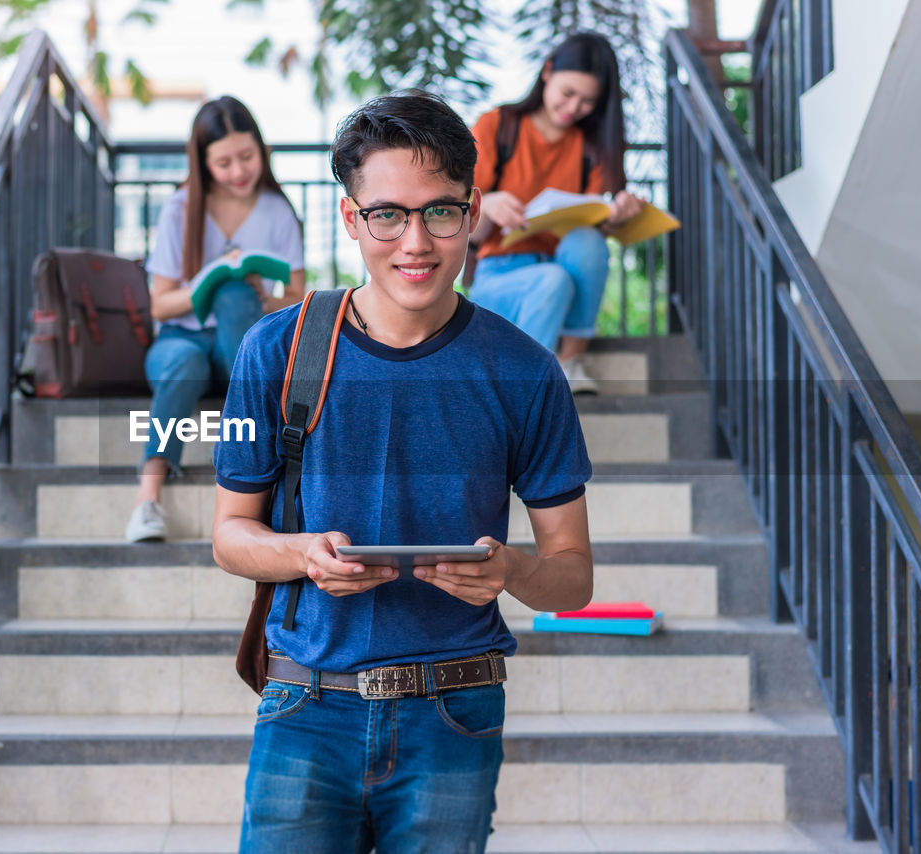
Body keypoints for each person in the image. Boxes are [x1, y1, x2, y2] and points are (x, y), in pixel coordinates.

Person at [212, 91, 594, 853]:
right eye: (387, 214)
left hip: (455, 708)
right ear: (353, 219)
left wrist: (512, 569)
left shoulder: (525, 370)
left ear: (473, 210)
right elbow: (230, 536)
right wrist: (301, 554)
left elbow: (572, 576)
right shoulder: (276, 350)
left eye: (440, 212)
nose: (415, 241)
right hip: (304, 704)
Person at [125, 96, 305, 542]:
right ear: (203, 164)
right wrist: (206, 280)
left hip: (237, 350)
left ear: (262, 151)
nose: (239, 170)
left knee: (235, 293)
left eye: (247, 156)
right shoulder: (180, 208)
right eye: (223, 162)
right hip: (180, 343)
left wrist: (262, 299)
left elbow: (298, 296)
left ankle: (251, 482)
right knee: (188, 359)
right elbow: (160, 305)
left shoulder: (277, 211)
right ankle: (147, 500)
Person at [468, 32, 644, 395]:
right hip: (500, 274)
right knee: (552, 280)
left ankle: (569, 361)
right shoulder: (497, 126)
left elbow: (591, 229)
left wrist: (616, 217)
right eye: (568, 93)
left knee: (588, 240)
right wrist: (490, 204)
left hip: (560, 270)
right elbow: (467, 234)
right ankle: (526, 390)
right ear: (547, 72)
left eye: (587, 101)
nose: (574, 106)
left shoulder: (590, 147)